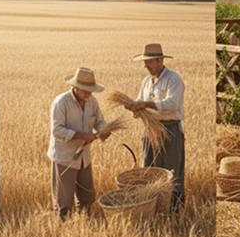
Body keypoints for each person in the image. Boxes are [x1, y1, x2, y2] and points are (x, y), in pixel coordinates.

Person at [123, 43, 186, 211]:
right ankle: (153, 207)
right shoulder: (146, 82)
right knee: (149, 168)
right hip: (149, 130)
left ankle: (173, 209)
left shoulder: (174, 79)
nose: (145, 65)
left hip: (170, 130)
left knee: (171, 170)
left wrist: (145, 104)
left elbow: (172, 104)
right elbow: (139, 104)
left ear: (159, 60)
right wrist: (134, 108)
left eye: (149, 61)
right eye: (145, 62)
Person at [47, 67, 111, 218]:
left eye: (91, 91)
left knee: (87, 197)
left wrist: (104, 130)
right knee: (64, 202)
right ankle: (63, 231)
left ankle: (85, 226)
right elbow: (57, 130)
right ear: (75, 87)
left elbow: (99, 121)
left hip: (84, 157)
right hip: (65, 157)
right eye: (86, 90)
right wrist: (81, 135)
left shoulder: (92, 101)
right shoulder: (61, 103)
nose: (89, 94)